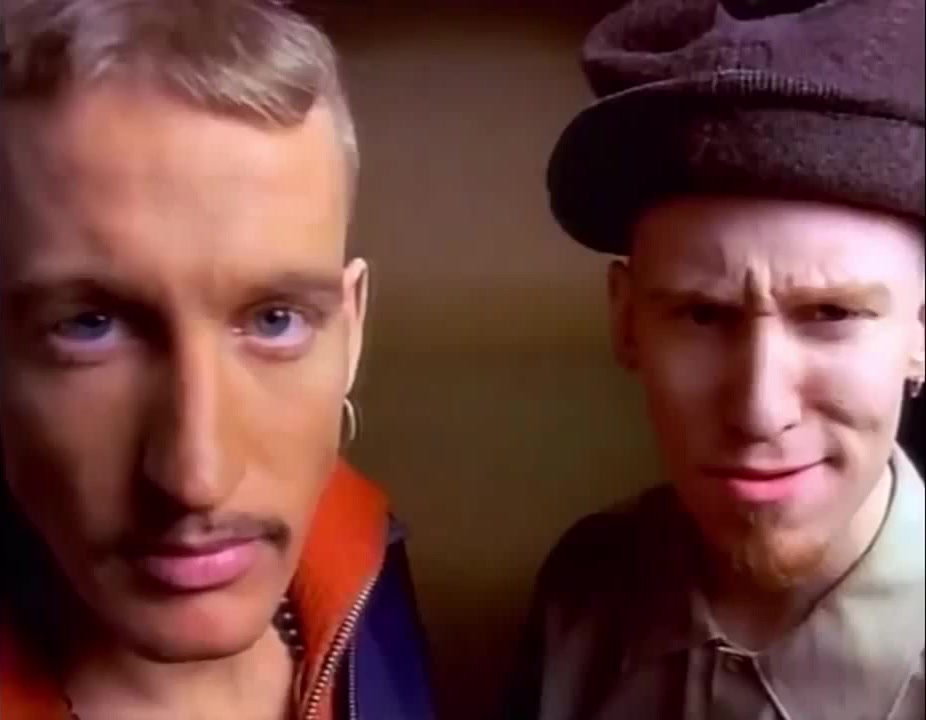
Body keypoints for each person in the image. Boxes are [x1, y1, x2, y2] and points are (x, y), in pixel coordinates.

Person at [0, 1, 433, 718]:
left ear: (351, 331)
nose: (195, 478)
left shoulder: (367, 564)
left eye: (274, 320)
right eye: (89, 326)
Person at [506, 0, 925, 718]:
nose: (760, 411)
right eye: (702, 315)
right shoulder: (584, 595)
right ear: (626, 321)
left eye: (830, 314)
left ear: (922, 330)